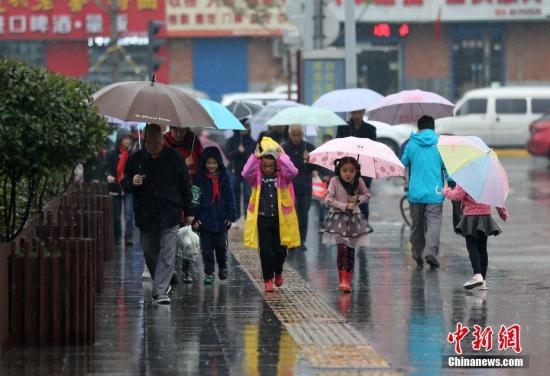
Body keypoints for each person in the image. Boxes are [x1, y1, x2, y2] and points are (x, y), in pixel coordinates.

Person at [122, 124, 194, 305]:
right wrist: (133, 182)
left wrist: (189, 212)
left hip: (170, 212)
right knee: (149, 251)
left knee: (168, 252)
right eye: (150, 142)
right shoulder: (136, 159)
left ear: (163, 139)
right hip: (146, 213)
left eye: (157, 141)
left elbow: (185, 186)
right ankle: (166, 277)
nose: (153, 146)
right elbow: (124, 183)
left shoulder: (174, 158)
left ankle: (160, 291)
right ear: (144, 141)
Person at [241, 137, 300, 292]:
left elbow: (293, 171)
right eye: (264, 166)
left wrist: (282, 157)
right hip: (262, 218)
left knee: (280, 250)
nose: (267, 169)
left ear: (276, 165)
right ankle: (268, 279)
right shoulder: (257, 177)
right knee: (265, 250)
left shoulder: (283, 177)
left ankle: (278, 271)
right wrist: (254, 157)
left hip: (280, 219)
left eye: (270, 166)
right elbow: (245, 173)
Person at [401, 115, 450, 269]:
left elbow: (402, 163)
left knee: (417, 225)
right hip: (435, 193)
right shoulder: (440, 143)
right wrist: (451, 183)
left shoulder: (411, 143)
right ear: (433, 127)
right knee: (434, 223)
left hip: (415, 193)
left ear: (419, 127)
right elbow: (447, 168)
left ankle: (416, 252)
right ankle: (431, 252)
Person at [443, 185, 508, 289]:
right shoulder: (488, 181)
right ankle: (483, 280)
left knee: (472, 246)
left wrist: (446, 190)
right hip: (485, 216)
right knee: (482, 248)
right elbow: (496, 198)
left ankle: (477, 274)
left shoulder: (466, 180)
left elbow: (457, 196)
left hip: (470, 216)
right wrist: (503, 213)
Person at [322, 157, 370, 293]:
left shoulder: (359, 181)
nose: (348, 174)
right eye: (345, 171)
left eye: (352, 171)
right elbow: (328, 199)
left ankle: (348, 280)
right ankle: (342, 280)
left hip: (354, 219)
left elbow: (367, 195)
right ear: (339, 170)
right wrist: (344, 205)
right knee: (342, 248)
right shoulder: (334, 181)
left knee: (350, 250)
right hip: (338, 220)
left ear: (356, 171)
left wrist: (358, 199)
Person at [193, 147, 238, 285]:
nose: (211, 166)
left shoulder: (224, 178)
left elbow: (230, 197)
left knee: (220, 247)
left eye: (214, 163)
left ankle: (223, 266)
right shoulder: (198, 178)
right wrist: (195, 217)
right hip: (205, 220)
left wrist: (231, 216)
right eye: (208, 163)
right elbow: (194, 200)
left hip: (221, 220)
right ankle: (209, 272)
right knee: (206, 249)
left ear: (219, 163)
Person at [164, 126, 203, 283]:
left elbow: (202, 166)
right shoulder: (165, 142)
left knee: (188, 232)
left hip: (190, 194)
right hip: (171, 193)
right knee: (171, 233)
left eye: (182, 131)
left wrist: (193, 167)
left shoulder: (194, 142)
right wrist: (182, 164)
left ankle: (186, 269)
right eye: (175, 130)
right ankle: (171, 269)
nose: (179, 134)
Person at [336, 109, 376, 233]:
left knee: (362, 199)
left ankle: (363, 224)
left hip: (364, 169)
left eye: (360, 113)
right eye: (354, 113)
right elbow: (338, 146)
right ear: (351, 113)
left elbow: (373, 148)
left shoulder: (370, 129)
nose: (357, 116)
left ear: (363, 113)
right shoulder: (344, 128)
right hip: (347, 169)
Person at [282, 125, 315, 250]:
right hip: (289, 187)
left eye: (299, 135)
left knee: (303, 214)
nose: (296, 138)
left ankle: (302, 240)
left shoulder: (309, 148)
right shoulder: (284, 148)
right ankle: (291, 240)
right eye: (294, 135)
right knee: (291, 215)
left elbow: (316, 168)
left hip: (305, 187)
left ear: (302, 134)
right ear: (290, 134)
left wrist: (309, 160)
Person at [105, 130, 134, 245]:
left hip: (128, 187)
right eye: (125, 138)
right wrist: (108, 175)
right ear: (120, 139)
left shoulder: (132, 154)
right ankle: (117, 236)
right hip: (115, 187)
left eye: (129, 138)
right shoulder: (112, 153)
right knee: (116, 216)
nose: (127, 141)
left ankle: (128, 237)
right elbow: (106, 167)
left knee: (128, 214)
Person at [225, 119, 256, 220]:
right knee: (234, 193)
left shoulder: (252, 142)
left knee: (248, 194)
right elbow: (228, 155)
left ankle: (248, 217)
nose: (245, 129)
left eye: (247, 126)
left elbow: (254, 157)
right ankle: (236, 215)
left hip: (248, 172)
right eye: (244, 126)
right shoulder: (231, 140)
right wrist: (238, 151)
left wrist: (245, 151)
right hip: (234, 171)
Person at [315, 134, 334, 233]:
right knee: (322, 205)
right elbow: (316, 171)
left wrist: (330, 178)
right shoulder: (319, 156)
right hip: (322, 185)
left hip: (333, 184)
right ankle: (322, 223)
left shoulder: (336, 157)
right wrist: (322, 177)